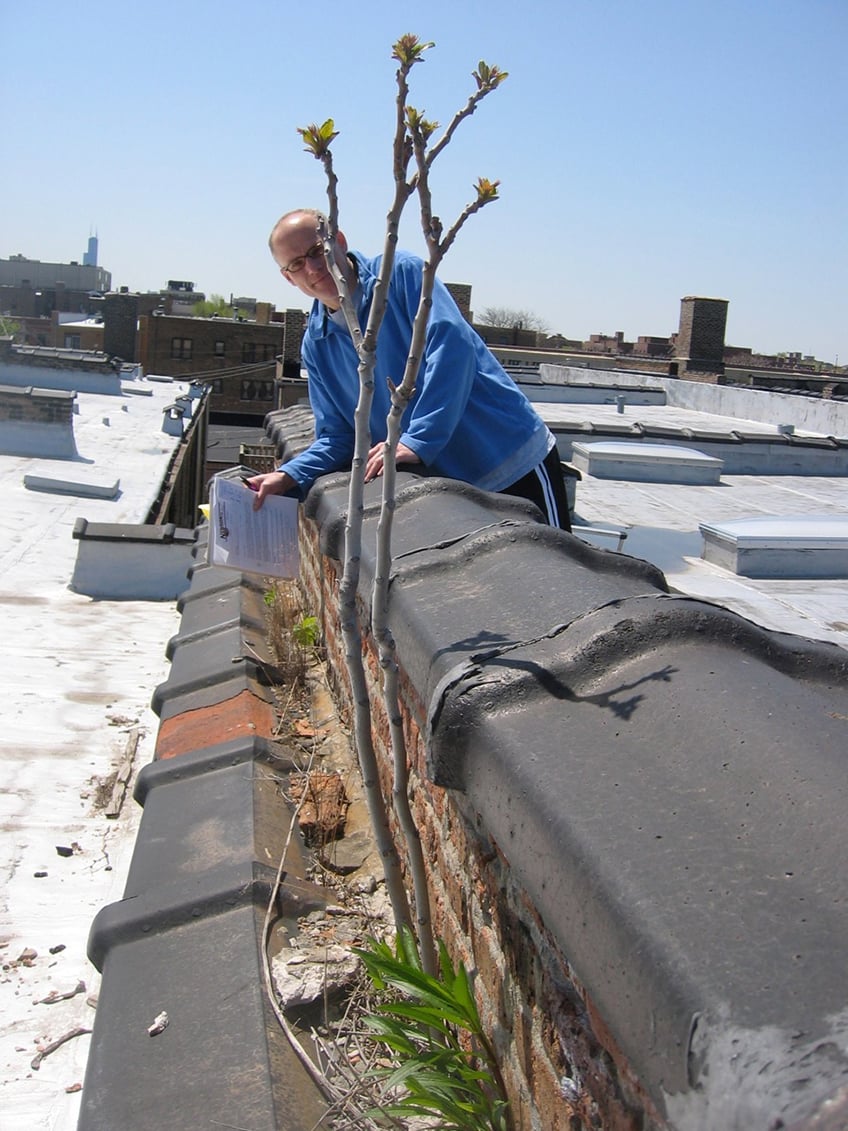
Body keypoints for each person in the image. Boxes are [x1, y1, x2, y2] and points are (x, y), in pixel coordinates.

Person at [248, 208, 571, 531]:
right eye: (297, 264)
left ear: (339, 241)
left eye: (317, 251)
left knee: (556, 573)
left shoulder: (400, 274)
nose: (314, 268)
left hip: (508, 457)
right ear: (288, 277)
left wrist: (417, 440)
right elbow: (340, 434)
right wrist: (290, 474)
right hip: (456, 490)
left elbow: (453, 348)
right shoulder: (316, 344)